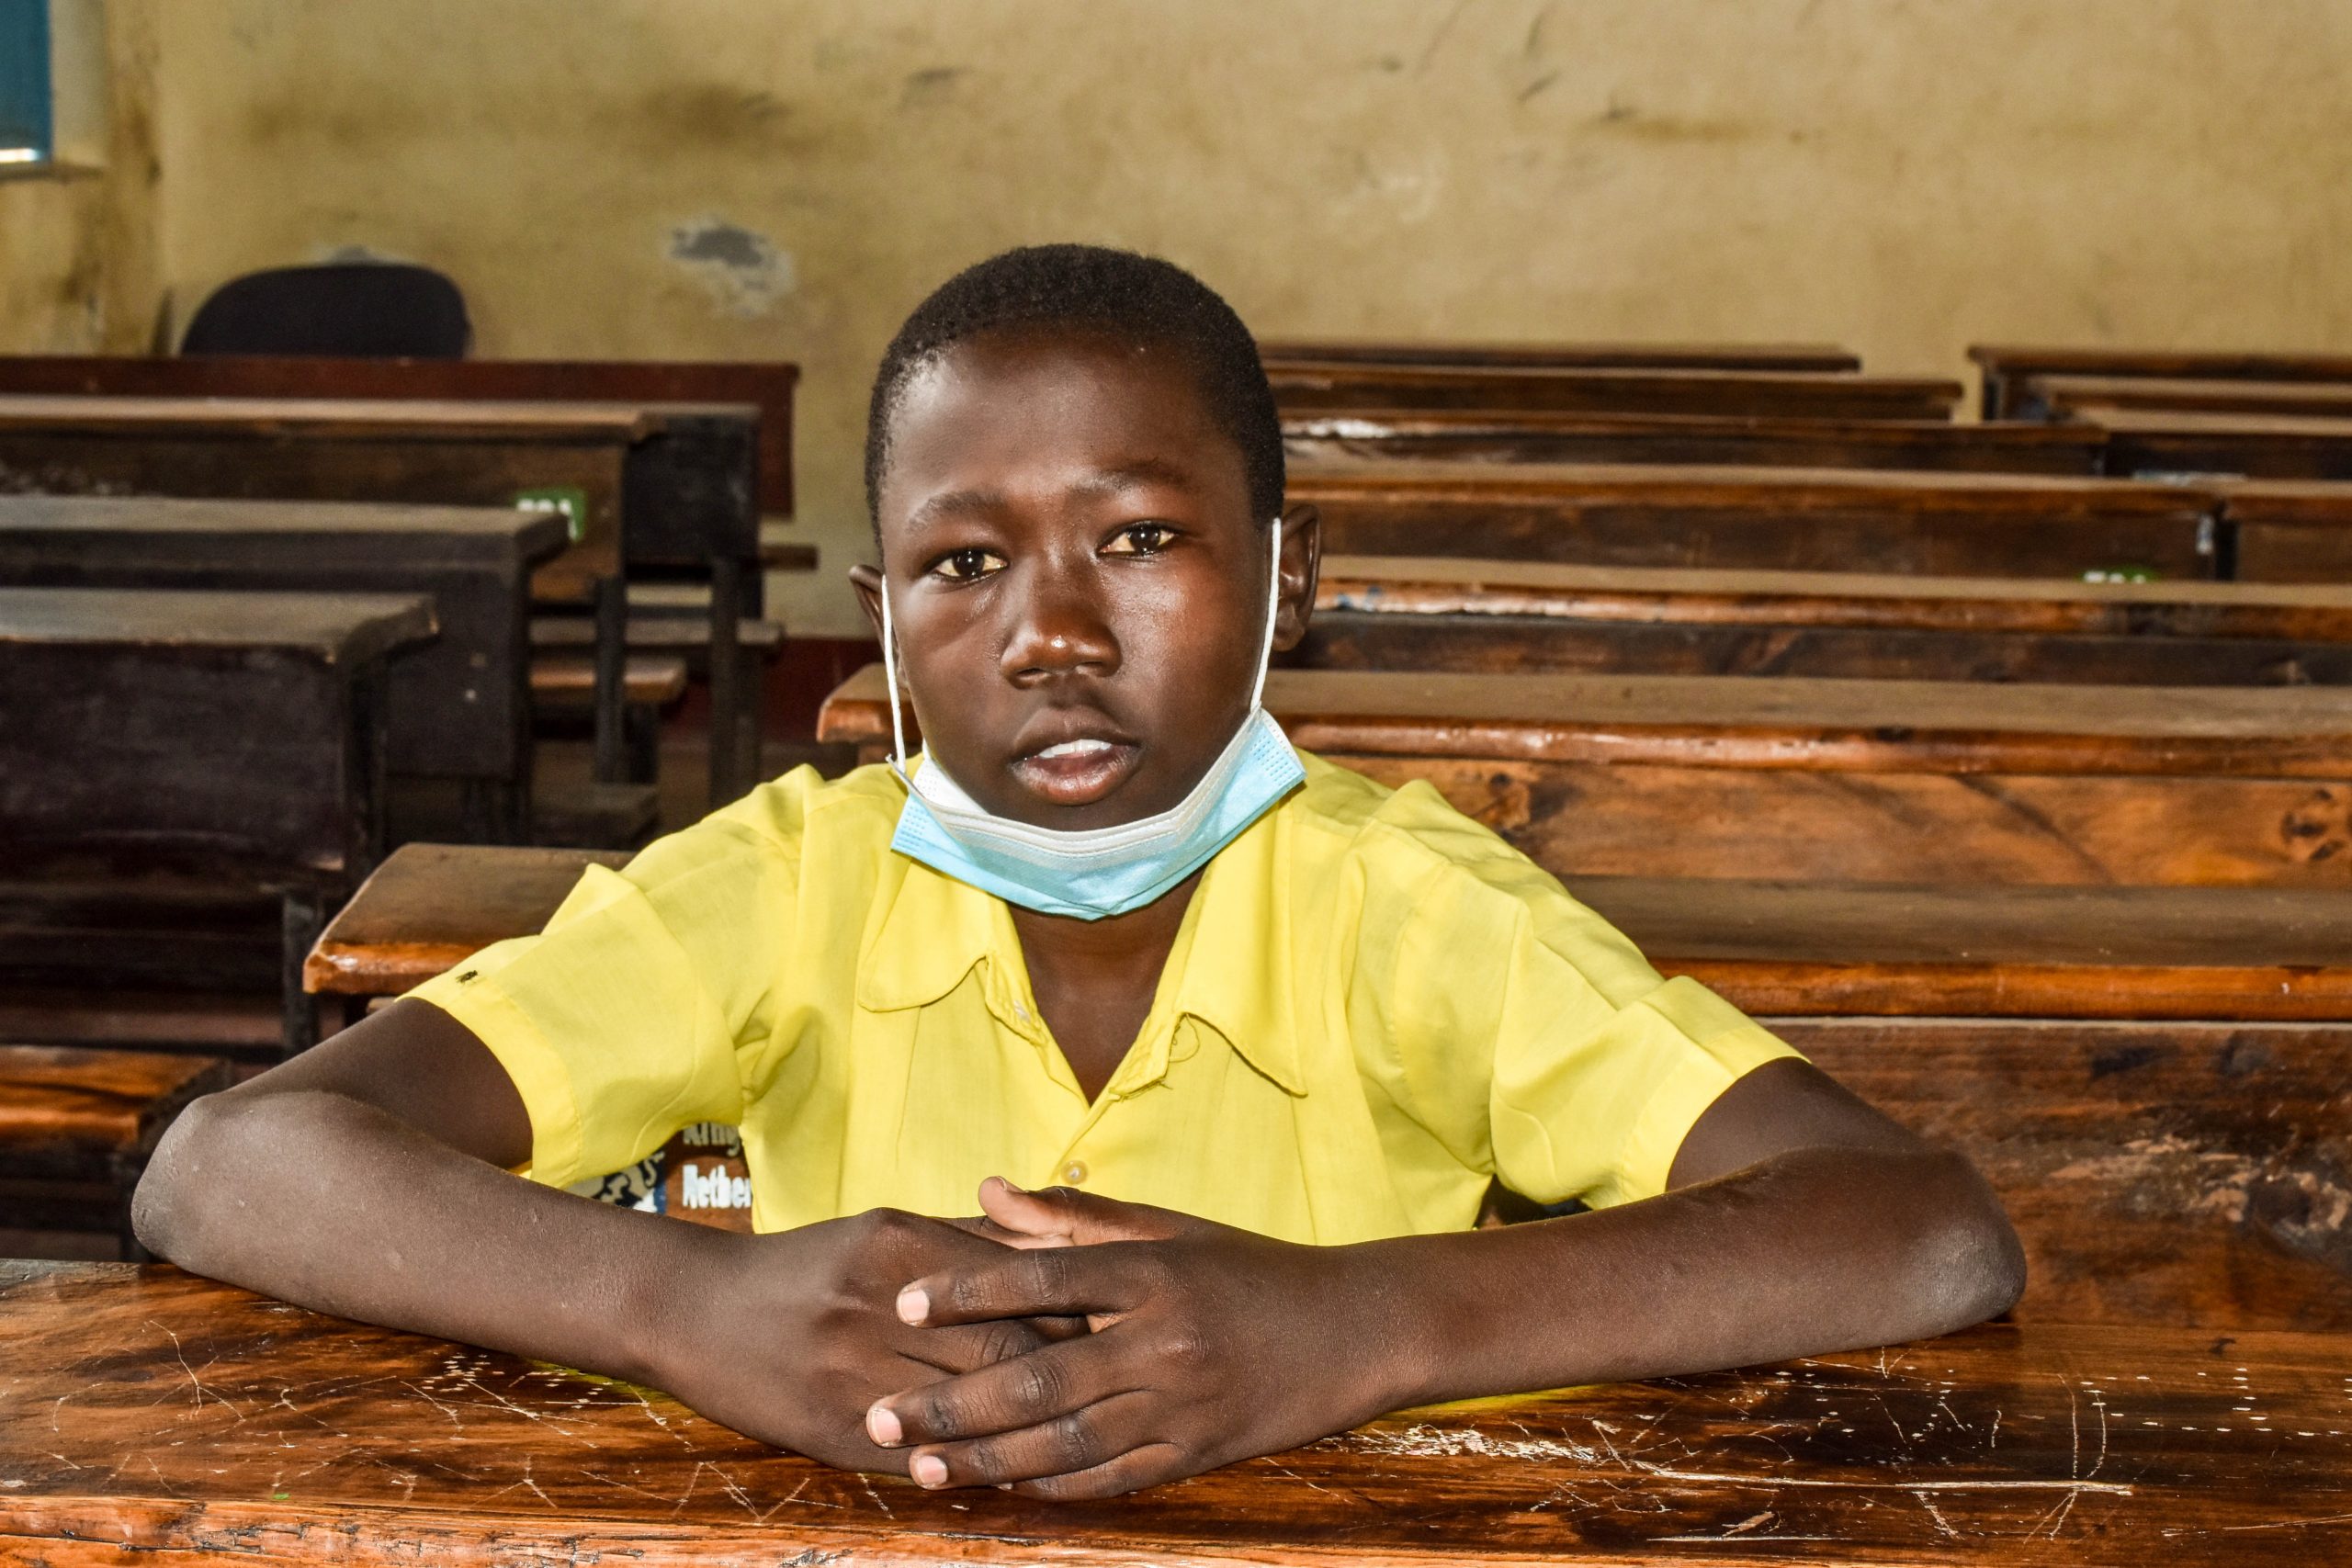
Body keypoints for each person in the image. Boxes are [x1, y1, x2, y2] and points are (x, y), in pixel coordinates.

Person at [134, 243, 2024, 1502]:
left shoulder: (1403, 903)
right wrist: (684, 1307)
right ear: (873, 627)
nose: (1048, 629)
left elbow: (1914, 1223)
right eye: (963, 563)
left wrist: (1358, 1320)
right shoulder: (792, 882)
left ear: (1286, 576)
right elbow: (232, 1164)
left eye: (1136, 536)